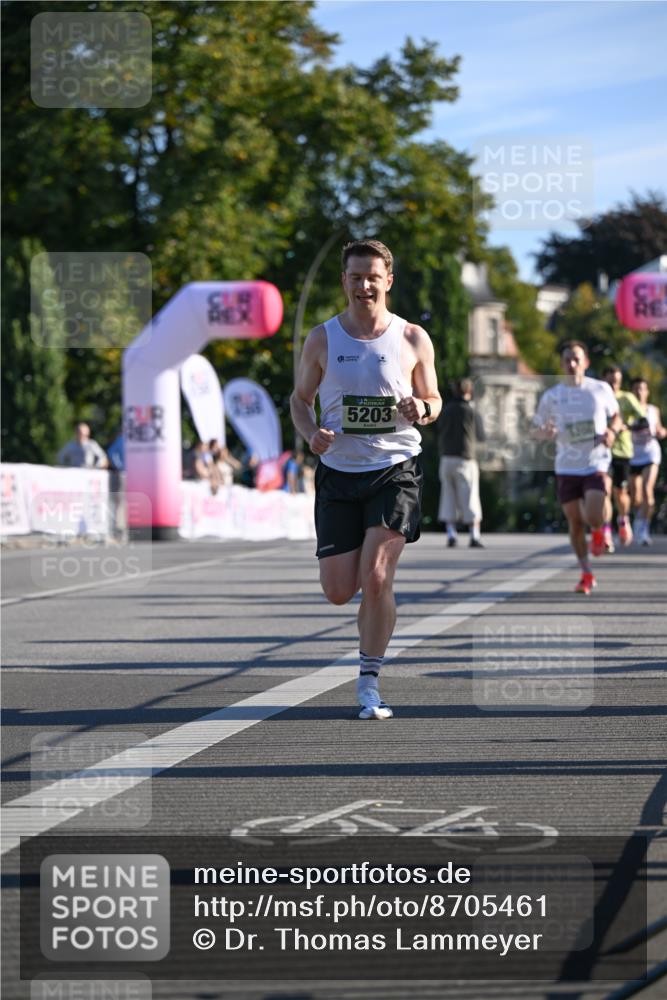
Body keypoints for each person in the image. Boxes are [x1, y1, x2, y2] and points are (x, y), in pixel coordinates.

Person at [290, 238, 441, 719]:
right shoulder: (322, 338)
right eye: (355, 277)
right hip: (338, 473)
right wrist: (311, 432)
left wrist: (421, 408)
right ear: (344, 282)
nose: (364, 286)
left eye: (372, 277)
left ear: (388, 281)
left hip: (395, 470)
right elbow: (299, 399)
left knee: (376, 577)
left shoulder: (412, 338)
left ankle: (369, 679)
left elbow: (435, 400)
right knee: (338, 590)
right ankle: (367, 648)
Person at [531, 341, 621, 594]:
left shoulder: (600, 389)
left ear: (586, 362)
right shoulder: (552, 396)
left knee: (592, 514)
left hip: (595, 461)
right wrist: (544, 432)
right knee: (575, 523)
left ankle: (602, 528)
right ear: (561, 365)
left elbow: (616, 415)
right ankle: (586, 573)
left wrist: (613, 431)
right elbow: (535, 429)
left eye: (576, 359)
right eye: (567, 360)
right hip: (566, 466)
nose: (572, 364)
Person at [436, 377, 485, 548]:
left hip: (446, 457)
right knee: (470, 497)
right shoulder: (471, 411)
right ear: (469, 391)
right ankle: (474, 535)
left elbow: (438, 430)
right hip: (465, 458)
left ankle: (451, 533)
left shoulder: (446, 409)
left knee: (448, 496)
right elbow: (481, 435)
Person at [601, 365, 644, 548]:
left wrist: (627, 426)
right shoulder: (598, 397)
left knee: (620, 493)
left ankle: (623, 519)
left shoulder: (627, 398)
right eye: (610, 381)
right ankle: (606, 531)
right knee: (604, 490)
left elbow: (643, 420)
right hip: (602, 451)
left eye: (616, 382)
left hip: (623, 451)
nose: (613, 385)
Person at [629, 378, 666, 545]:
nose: (639, 392)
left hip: (650, 454)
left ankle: (644, 528)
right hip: (631, 455)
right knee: (635, 497)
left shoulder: (653, 410)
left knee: (647, 489)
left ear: (647, 392)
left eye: (642, 389)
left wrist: (661, 432)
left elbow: (660, 428)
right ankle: (639, 518)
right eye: (636, 389)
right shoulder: (626, 409)